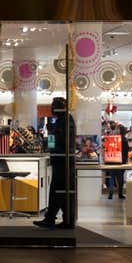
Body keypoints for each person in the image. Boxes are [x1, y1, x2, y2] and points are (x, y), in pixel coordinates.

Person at [34, 97, 76, 229]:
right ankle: (64, 220)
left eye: (54, 106)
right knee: (61, 191)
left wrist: (52, 131)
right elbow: (53, 144)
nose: (52, 109)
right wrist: (52, 132)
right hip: (60, 160)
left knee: (58, 191)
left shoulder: (65, 122)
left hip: (63, 161)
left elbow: (61, 142)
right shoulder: (62, 121)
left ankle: (51, 218)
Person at [107, 124, 129, 200]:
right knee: (120, 179)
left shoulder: (113, 138)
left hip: (112, 160)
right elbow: (126, 152)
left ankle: (110, 193)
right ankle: (120, 194)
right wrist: (125, 161)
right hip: (121, 162)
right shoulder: (125, 140)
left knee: (112, 177)